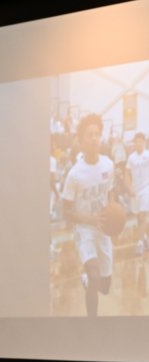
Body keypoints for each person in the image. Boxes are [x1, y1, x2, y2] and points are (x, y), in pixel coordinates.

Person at [61, 113, 115, 317]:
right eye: (90, 134)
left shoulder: (108, 165)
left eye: (97, 134)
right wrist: (88, 220)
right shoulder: (74, 174)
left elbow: (110, 193)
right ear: (81, 141)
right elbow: (66, 210)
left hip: (103, 229)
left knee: (105, 286)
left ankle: (87, 281)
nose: (94, 138)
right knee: (94, 275)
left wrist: (112, 215)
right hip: (84, 229)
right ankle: (92, 325)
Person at [125, 131, 149, 255]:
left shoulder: (148, 154)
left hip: (146, 189)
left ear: (144, 142)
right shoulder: (131, 157)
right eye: (137, 141)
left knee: (143, 215)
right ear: (134, 143)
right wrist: (129, 188)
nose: (139, 143)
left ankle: (139, 242)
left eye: (141, 141)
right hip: (135, 190)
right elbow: (127, 173)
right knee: (139, 217)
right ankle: (145, 238)